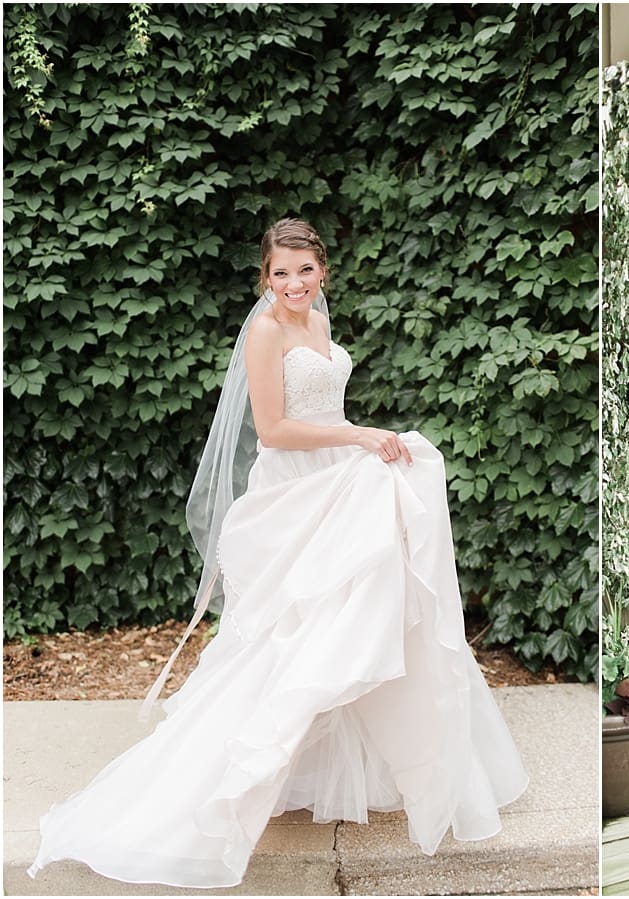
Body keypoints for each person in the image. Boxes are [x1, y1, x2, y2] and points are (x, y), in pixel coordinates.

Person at [28, 218, 529, 888]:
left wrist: (355, 442)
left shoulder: (319, 325)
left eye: (304, 270)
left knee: (360, 621)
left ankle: (373, 765)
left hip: (339, 482)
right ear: (265, 277)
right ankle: (216, 783)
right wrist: (361, 437)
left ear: (323, 268)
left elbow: (325, 411)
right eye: (280, 273)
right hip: (295, 490)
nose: (293, 283)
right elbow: (274, 428)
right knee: (288, 639)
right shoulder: (265, 331)